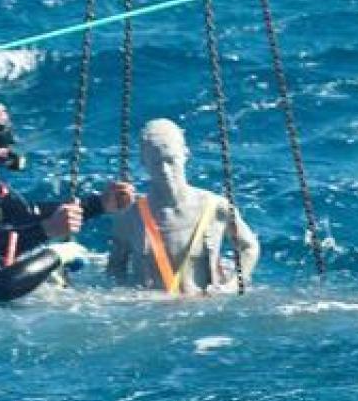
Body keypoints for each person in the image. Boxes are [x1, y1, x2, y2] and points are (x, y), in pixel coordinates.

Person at [0, 94, 134, 301]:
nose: (10, 140)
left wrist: (100, 204)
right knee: (7, 284)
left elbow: (26, 214)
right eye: (0, 131)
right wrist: (50, 236)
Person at [108, 119, 259, 296]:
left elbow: (249, 247)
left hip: (204, 310)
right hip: (151, 313)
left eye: (170, 160)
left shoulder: (216, 207)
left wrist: (233, 284)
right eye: (156, 163)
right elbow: (115, 271)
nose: (165, 170)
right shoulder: (130, 217)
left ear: (186, 154)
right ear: (143, 161)